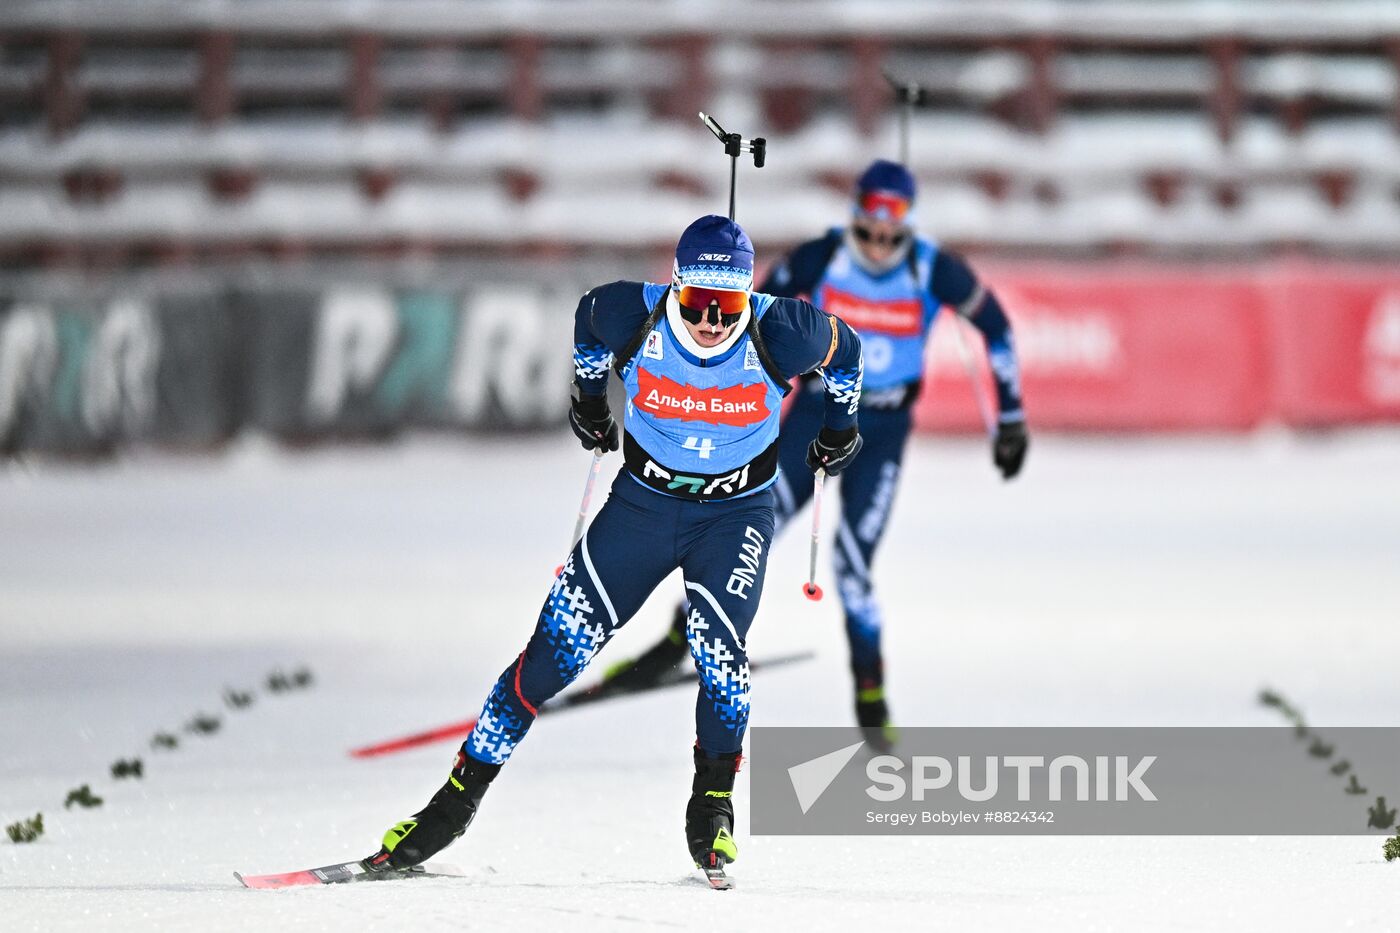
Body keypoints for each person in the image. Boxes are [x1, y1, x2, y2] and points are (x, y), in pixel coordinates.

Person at [364, 214, 864, 882]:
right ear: (675, 286)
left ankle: (712, 805)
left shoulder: (784, 330)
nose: (711, 321)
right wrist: (590, 399)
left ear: (748, 296)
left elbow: (847, 352)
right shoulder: (632, 313)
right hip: (642, 510)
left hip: (734, 518)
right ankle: (454, 803)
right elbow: (587, 320)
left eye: (727, 306)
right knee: (550, 657)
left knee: (721, 655)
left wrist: (840, 428)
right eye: (698, 301)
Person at [609, 160, 1028, 750]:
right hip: (814, 420)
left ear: (908, 218)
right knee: (743, 521)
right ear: (855, 207)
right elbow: (750, 311)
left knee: (852, 567)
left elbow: (998, 327)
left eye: (894, 217)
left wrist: (1010, 418)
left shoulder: (931, 266)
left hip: (882, 435)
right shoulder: (822, 256)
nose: (880, 233)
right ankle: (679, 640)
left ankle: (870, 693)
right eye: (871, 214)